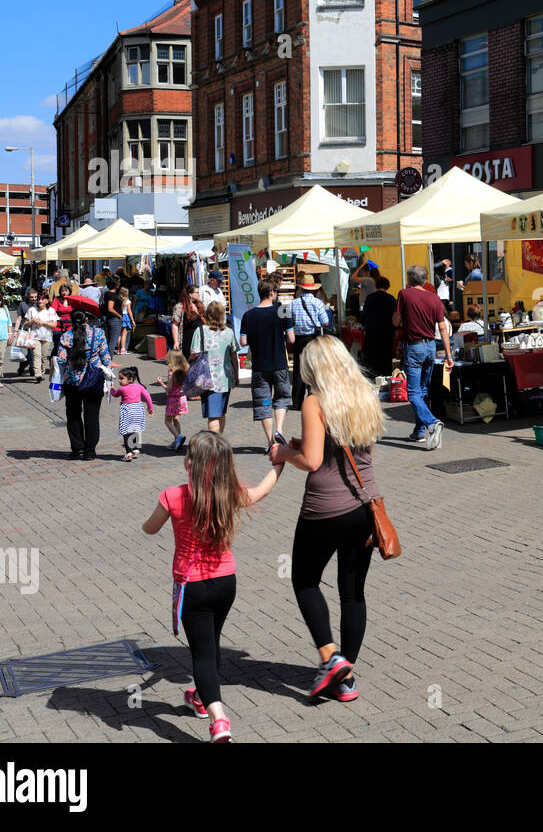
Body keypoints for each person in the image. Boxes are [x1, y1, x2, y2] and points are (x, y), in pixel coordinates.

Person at [142, 430, 285, 742]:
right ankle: (199, 696)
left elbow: (150, 529)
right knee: (211, 643)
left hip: (191, 586)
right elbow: (260, 491)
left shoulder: (174, 496)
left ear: (191, 465)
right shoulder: (227, 494)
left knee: (202, 654)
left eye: (190, 455)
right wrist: (279, 464)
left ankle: (219, 720)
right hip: (225, 582)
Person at [268, 336, 382, 702]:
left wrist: (284, 451)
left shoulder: (315, 401)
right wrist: (307, 444)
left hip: (324, 511)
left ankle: (330, 657)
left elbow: (314, 463)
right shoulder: (364, 395)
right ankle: (345, 676)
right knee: (353, 593)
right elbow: (349, 447)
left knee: (304, 580)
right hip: (364, 508)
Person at [393, 264, 452, 449]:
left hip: (415, 347)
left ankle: (432, 423)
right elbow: (443, 328)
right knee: (423, 390)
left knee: (413, 393)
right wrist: (448, 355)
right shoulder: (434, 298)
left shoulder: (404, 294)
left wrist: (402, 319)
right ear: (426, 280)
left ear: (409, 279)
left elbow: (395, 321)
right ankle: (419, 431)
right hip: (431, 347)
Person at [239, 280, 294, 448]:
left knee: (263, 402)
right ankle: (279, 430)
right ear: (271, 293)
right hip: (279, 364)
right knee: (281, 398)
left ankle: (270, 442)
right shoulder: (282, 310)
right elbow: (291, 338)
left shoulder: (248, 315)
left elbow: (243, 341)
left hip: (259, 367)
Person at [57, 310, 112, 461]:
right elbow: (106, 357)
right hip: (94, 380)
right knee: (92, 416)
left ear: (71, 320)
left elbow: (61, 360)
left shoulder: (66, 336)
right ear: (87, 319)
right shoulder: (99, 333)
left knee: (73, 415)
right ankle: (90, 451)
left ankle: (78, 448)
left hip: (72, 382)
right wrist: (110, 378)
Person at [189, 301, 238, 435]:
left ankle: (215, 444)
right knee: (221, 412)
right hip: (226, 378)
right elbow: (234, 356)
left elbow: (194, 354)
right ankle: (219, 440)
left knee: (213, 415)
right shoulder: (229, 332)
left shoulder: (200, 331)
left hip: (207, 378)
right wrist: (237, 376)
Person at [289, 276, 330, 411]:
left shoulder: (293, 303)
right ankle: (312, 399)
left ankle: (297, 402)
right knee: (314, 369)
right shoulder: (318, 303)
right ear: (313, 289)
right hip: (313, 337)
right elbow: (325, 322)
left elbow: (289, 321)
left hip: (299, 338)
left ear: (302, 288)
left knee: (298, 371)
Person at [359, 276, 397, 377]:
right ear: (387, 287)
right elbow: (395, 317)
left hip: (371, 332)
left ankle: (373, 377)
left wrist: (364, 325)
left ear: (376, 286)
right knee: (385, 357)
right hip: (386, 333)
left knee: (372, 357)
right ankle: (385, 378)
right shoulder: (391, 298)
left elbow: (364, 314)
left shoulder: (369, 297)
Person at [114, 366, 154, 461]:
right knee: (136, 430)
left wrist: (111, 388)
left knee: (126, 432)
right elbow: (147, 396)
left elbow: (115, 394)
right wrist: (150, 408)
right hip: (138, 411)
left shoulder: (122, 389)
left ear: (130, 379)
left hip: (127, 412)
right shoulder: (139, 387)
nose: (119, 381)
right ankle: (136, 450)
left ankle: (128, 453)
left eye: (121, 378)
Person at [153, 350, 190, 451]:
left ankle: (178, 437)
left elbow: (169, 389)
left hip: (172, 399)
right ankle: (177, 442)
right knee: (176, 419)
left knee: (168, 421)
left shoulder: (171, 373)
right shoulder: (185, 370)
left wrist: (160, 383)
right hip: (182, 398)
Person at [24, 292, 58, 385]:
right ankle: (38, 374)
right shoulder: (32, 310)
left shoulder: (51, 311)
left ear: (47, 301)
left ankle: (42, 372)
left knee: (43, 356)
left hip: (47, 337)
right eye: (39, 299)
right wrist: (32, 321)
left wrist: (43, 323)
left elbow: (54, 325)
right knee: (36, 355)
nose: (40, 301)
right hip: (35, 336)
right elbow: (26, 323)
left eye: (42, 299)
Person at [12, 287, 40, 377]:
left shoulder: (38, 304)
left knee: (34, 350)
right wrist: (15, 331)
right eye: (32, 297)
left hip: (37, 330)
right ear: (28, 296)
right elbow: (19, 318)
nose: (34, 299)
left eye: (35, 297)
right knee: (31, 350)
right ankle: (32, 369)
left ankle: (23, 365)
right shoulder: (22, 305)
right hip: (27, 330)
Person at [172, 284, 206, 354]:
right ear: (190, 294)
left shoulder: (199, 305)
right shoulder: (180, 307)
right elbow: (175, 325)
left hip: (200, 340)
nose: (199, 294)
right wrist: (176, 342)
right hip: (188, 341)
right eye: (197, 292)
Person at [102, 277, 124, 354]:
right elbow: (110, 308)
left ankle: (107, 360)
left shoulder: (108, 293)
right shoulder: (112, 295)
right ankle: (108, 361)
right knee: (112, 342)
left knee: (110, 341)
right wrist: (119, 315)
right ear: (115, 285)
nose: (119, 284)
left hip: (110, 319)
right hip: (114, 319)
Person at [117, 287, 134, 354]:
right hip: (125, 317)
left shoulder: (118, 300)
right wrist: (132, 320)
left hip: (119, 317)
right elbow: (129, 312)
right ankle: (123, 349)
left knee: (119, 335)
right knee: (124, 334)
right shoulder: (127, 301)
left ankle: (118, 349)